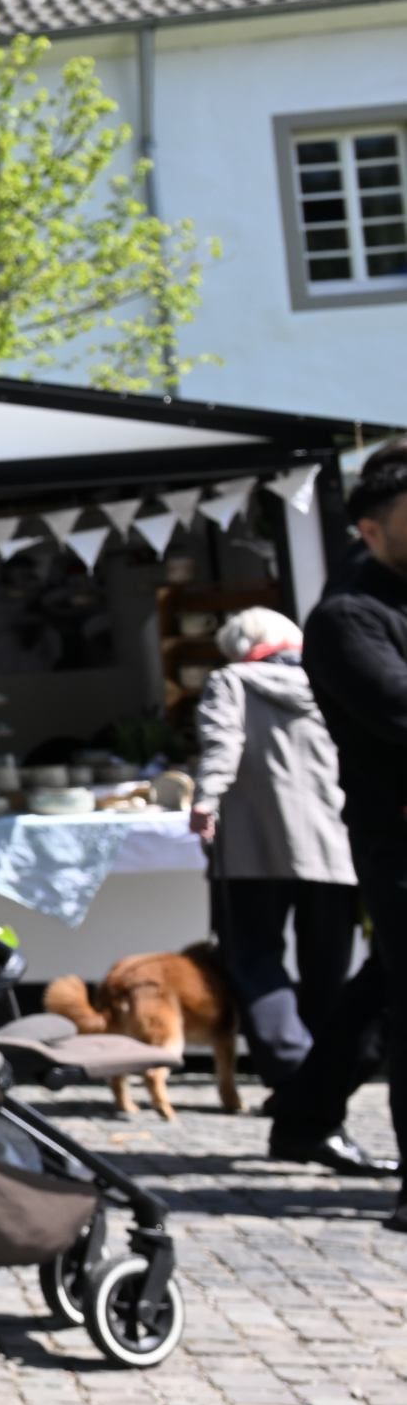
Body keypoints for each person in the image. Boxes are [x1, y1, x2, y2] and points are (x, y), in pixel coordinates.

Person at [194, 607, 387, 1174]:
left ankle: (294, 1072)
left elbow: (220, 743)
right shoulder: (331, 681)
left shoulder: (231, 681)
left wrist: (206, 799)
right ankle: (318, 1088)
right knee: (326, 970)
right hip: (333, 849)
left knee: (253, 958)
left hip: (254, 851)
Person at [294, 453, 407, 1228]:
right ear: (370, 529)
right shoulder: (346, 617)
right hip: (397, 841)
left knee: (380, 988)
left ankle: (303, 1114)